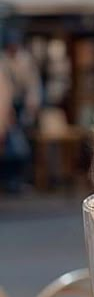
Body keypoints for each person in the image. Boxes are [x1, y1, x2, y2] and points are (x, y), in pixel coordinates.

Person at [0, 29, 41, 194]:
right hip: (7, 106)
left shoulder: (25, 60)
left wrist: (31, 106)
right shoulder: (2, 60)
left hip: (22, 106)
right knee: (10, 147)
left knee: (22, 147)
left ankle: (19, 180)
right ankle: (9, 181)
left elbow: (33, 85)